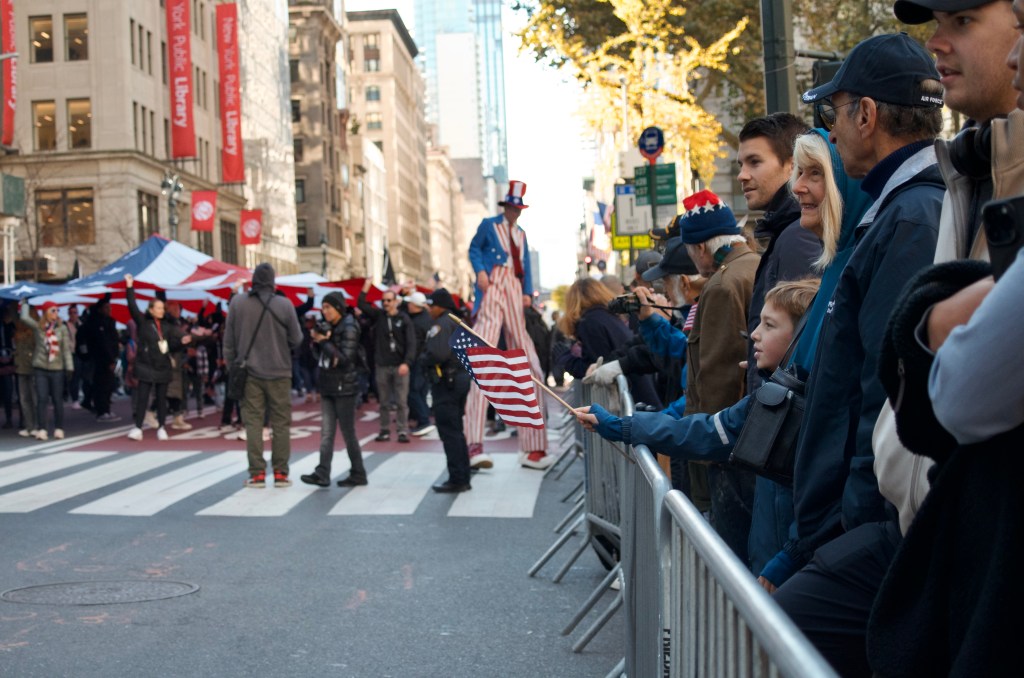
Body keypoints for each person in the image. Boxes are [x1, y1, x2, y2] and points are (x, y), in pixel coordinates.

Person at [768, 33, 946, 675]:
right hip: (852, 526)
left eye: (832, 112)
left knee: (771, 641)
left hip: (870, 530)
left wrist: (852, 529)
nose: (831, 129)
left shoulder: (912, 216)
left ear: (865, 114)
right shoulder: (900, 210)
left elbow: (883, 390)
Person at [678, 189, 761, 563]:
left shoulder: (723, 285)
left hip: (728, 445)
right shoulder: (755, 264)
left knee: (729, 558)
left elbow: (719, 378)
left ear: (701, 247)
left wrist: (706, 447)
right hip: (754, 437)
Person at [466, 179, 551, 470]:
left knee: (530, 365)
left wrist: (526, 292)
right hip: (493, 284)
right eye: (512, 208)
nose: (515, 213)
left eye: (518, 209)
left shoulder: (521, 234)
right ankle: (474, 443)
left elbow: (524, 266)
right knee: (483, 361)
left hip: (513, 287)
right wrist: (480, 272)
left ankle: (534, 447)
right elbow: (474, 249)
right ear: (505, 207)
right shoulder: (489, 225)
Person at [736, 113, 823, 392]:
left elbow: (800, 339)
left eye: (755, 162)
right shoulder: (788, 232)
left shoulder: (799, 235)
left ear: (792, 165)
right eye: (741, 164)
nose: (742, 175)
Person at [224, 263, 303, 488]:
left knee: (253, 423)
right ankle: (281, 473)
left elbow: (228, 341)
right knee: (281, 423)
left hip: (249, 372)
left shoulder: (238, 303)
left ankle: (257, 474)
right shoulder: (285, 304)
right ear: (273, 282)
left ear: (254, 281)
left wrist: (232, 366)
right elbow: (297, 339)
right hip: (279, 371)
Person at [557, 277, 660, 408]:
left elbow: (596, 367)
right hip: (638, 394)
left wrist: (567, 360)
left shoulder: (590, 322)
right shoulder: (606, 316)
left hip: (631, 400)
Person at [300, 292, 368, 488]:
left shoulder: (349, 326)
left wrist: (323, 342)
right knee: (327, 432)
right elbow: (320, 357)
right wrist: (316, 342)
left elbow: (345, 359)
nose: (325, 311)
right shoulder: (330, 326)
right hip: (328, 384)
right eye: (323, 307)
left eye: (328, 307)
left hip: (345, 386)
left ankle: (358, 473)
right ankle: (322, 472)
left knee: (348, 432)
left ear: (338, 307)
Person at [123, 274, 192, 441]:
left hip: (162, 366)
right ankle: (138, 428)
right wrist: (129, 287)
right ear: (151, 309)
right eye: (159, 308)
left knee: (161, 398)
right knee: (143, 397)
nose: (162, 310)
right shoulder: (143, 323)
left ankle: (161, 427)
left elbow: (172, 345)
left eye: (163, 308)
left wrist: (182, 342)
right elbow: (132, 306)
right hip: (145, 365)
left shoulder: (168, 326)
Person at [423, 288, 472, 493]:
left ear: (441, 306)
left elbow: (438, 354)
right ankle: (462, 475)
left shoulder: (442, 324)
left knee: (449, 431)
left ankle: (457, 478)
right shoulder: (455, 321)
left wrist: (422, 359)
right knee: (456, 431)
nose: (429, 309)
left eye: (432, 305)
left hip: (447, 383)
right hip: (458, 380)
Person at [358, 280, 416, 443]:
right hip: (382, 365)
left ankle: (402, 430)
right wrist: (366, 286)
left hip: (400, 365)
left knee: (401, 401)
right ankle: (384, 430)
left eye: (389, 300)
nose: (386, 303)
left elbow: (411, 342)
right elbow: (361, 304)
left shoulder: (404, 319)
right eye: (383, 301)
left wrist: (407, 362)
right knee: (383, 402)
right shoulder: (379, 316)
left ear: (396, 301)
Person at [21, 300, 74, 441]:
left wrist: (69, 367)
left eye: (57, 310)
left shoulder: (61, 328)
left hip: (57, 368)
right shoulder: (39, 327)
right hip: (41, 367)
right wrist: (25, 303)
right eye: (53, 310)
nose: (56, 313)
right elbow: (24, 318)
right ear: (45, 312)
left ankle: (59, 428)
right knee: (42, 398)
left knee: (57, 399)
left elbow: (66, 349)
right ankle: (42, 429)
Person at [403, 290, 435, 437]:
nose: (408, 305)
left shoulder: (416, 322)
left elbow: (414, 345)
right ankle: (420, 417)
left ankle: (423, 419)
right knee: (421, 391)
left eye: (410, 303)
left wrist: (408, 361)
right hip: (425, 359)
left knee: (413, 391)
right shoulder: (427, 318)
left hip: (418, 361)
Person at [86, 298, 121, 422]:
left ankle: (107, 409)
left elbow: (114, 341)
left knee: (109, 385)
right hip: (101, 360)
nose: (109, 310)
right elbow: (102, 343)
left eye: (109, 307)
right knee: (101, 385)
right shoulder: (96, 323)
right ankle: (102, 410)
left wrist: (115, 356)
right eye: (106, 307)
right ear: (100, 309)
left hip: (112, 357)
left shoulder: (110, 322)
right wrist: (110, 360)